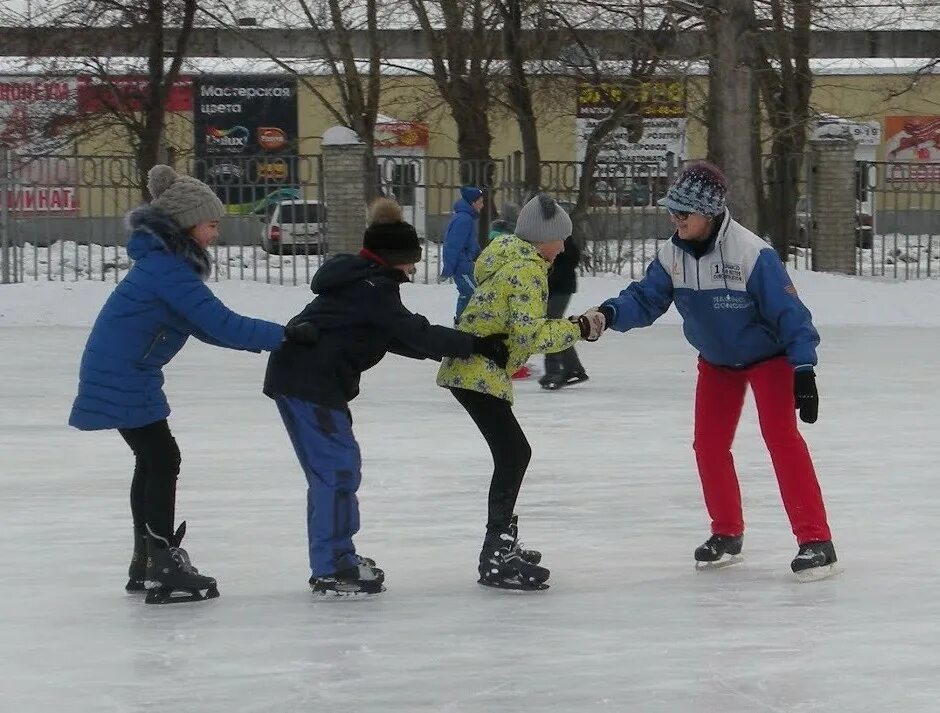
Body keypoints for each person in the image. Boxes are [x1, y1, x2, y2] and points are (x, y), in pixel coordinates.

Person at [69, 165, 317, 604]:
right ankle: (160, 564)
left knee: (153, 458)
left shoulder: (166, 265)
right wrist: (284, 335)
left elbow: (207, 328)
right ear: (187, 225)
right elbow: (222, 322)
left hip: (124, 371)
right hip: (123, 373)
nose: (216, 233)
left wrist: (279, 338)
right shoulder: (169, 270)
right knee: (161, 457)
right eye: (211, 224)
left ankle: (147, 560)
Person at [581, 160, 837, 581]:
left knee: (782, 440)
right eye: (672, 211)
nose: (675, 219)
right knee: (708, 445)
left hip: (768, 359)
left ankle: (816, 541)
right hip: (717, 362)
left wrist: (803, 368)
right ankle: (726, 533)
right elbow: (645, 299)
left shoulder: (753, 254)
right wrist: (608, 314)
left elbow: (792, 315)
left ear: (710, 213)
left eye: (684, 212)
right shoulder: (672, 255)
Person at [263, 198, 509, 597]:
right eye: (411, 261)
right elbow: (414, 332)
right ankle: (331, 566)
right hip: (310, 384)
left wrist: (461, 348)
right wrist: (476, 345)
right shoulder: (373, 289)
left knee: (338, 470)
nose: (413, 269)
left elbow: (394, 336)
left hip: (307, 381)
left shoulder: (363, 281)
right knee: (336, 471)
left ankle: (338, 556)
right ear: (394, 257)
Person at [437, 193, 604, 592]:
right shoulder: (526, 270)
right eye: (559, 239)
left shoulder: (506, 258)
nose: (563, 247)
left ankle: (500, 545)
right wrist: (579, 328)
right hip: (477, 372)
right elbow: (531, 334)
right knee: (514, 453)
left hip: (475, 369)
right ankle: (496, 553)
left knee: (513, 453)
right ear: (541, 238)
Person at [487, 201, 534, 381]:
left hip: (499, 289)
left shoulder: (498, 233)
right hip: (504, 289)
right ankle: (510, 365)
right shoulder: (508, 238)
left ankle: (511, 363)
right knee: (510, 328)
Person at [539, 234, 589, 390]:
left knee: (550, 327)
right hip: (556, 287)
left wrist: (550, 276)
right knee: (553, 325)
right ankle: (573, 368)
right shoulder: (549, 235)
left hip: (560, 288)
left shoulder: (559, 238)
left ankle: (554, 371)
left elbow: (570, 259)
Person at [440, 186, 484, 319]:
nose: (483, 205)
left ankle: (464, 324)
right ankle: (461, 324)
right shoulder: (463, 219)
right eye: (480, 201)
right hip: (462, 267)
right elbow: (452, 246)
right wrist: (448, 269)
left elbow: (470, 243)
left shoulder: (467, 218)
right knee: (473, 294)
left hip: (465, 264)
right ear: (472, 202)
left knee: (469, 294)